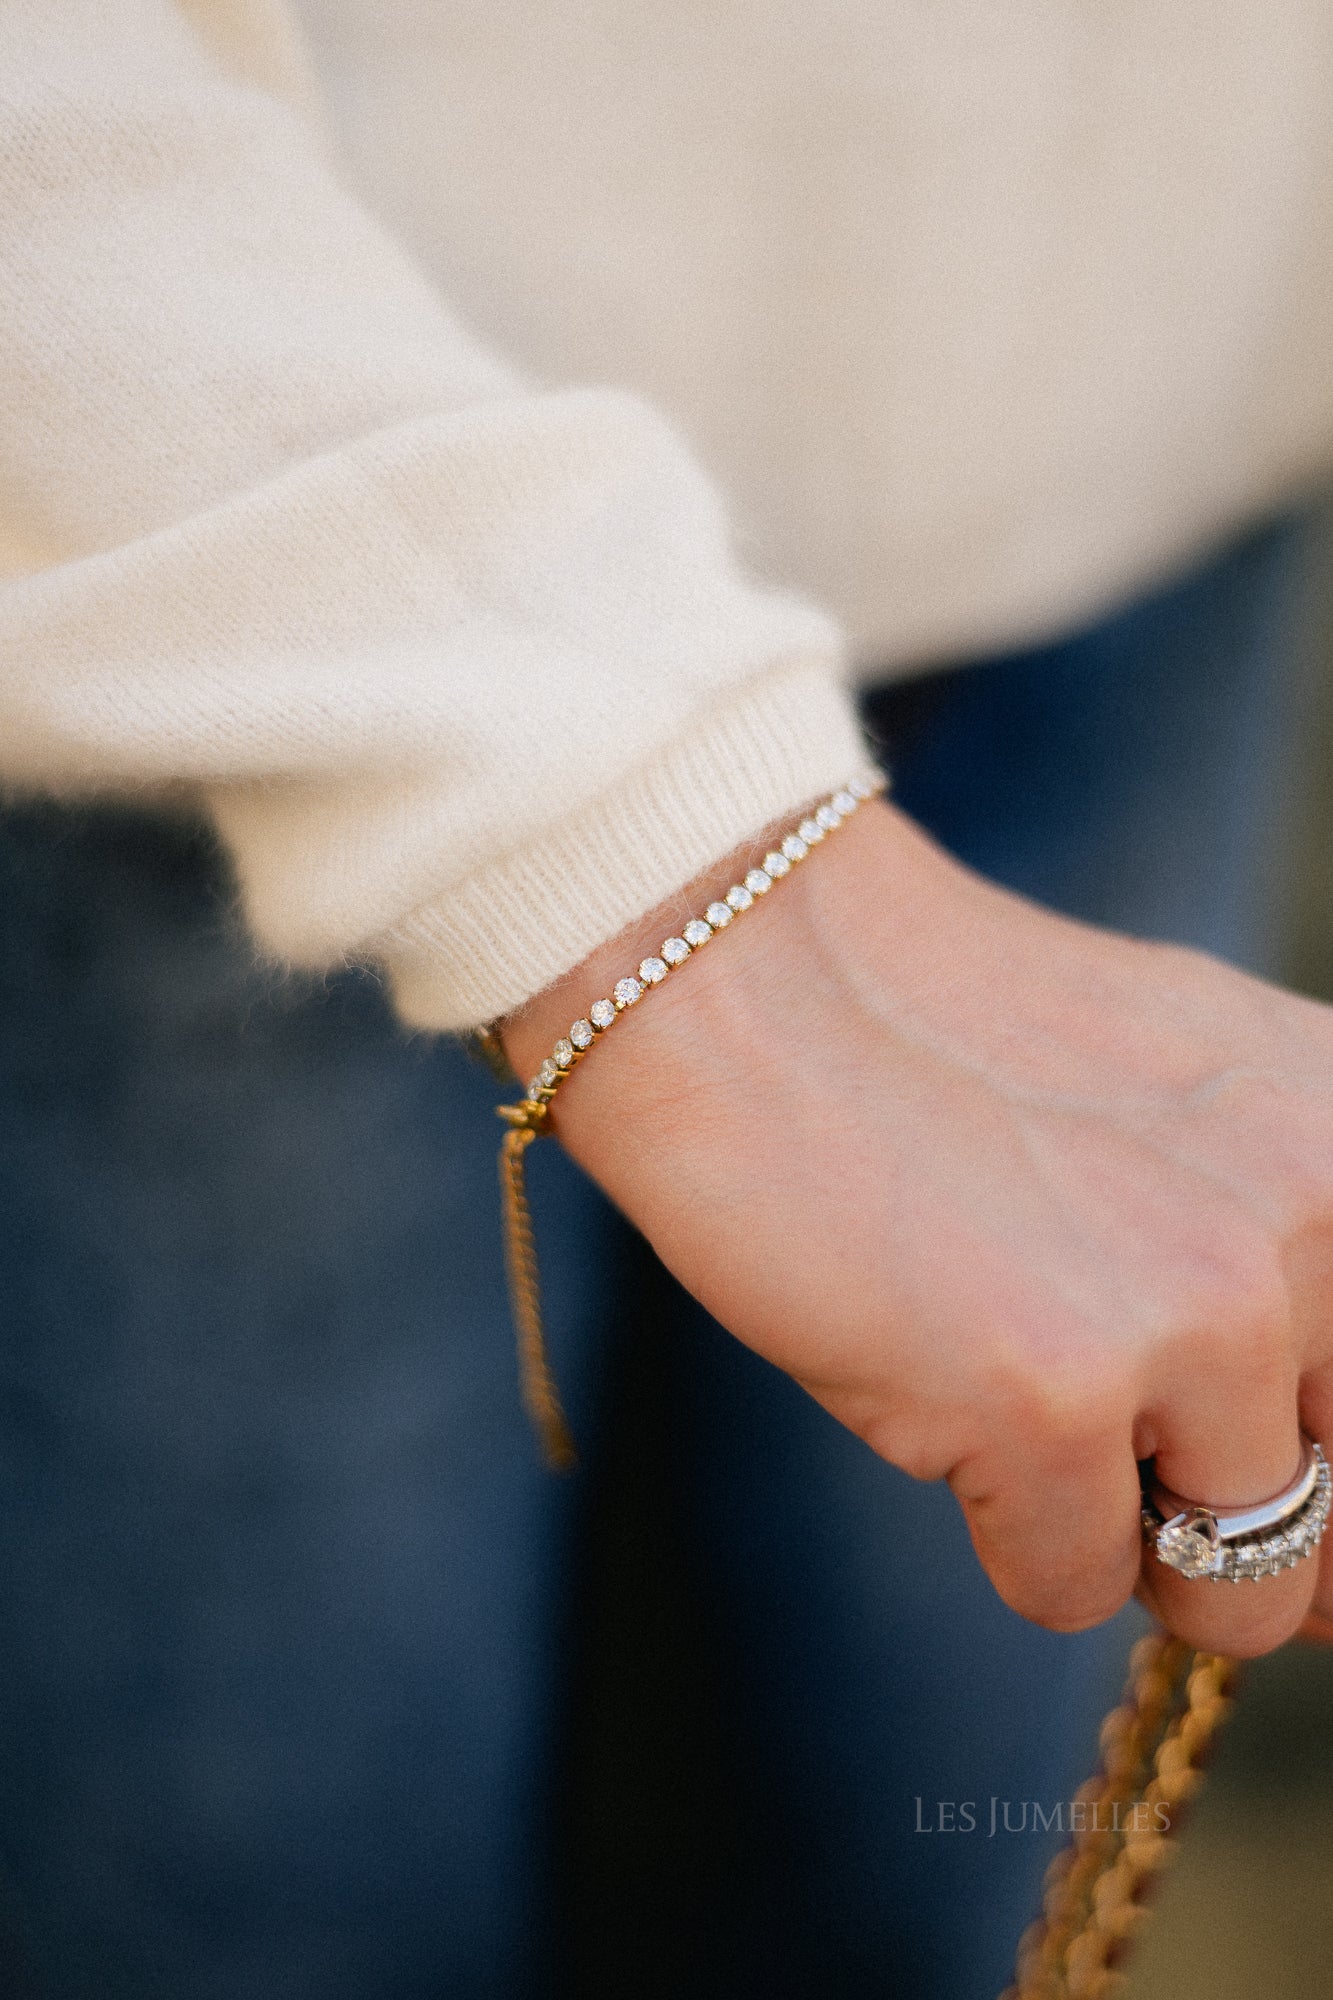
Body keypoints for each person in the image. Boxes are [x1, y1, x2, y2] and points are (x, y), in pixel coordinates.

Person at [2, 4, 1333, 1995]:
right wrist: (640, 833)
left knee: (908, 1890)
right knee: (273, 1916)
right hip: (218, 556)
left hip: (1138, 466)